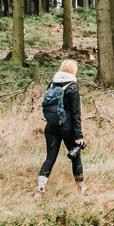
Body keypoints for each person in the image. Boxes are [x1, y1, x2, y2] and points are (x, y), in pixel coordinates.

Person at [37, 59, 86, 197]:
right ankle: (81, 190)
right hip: (67, 128)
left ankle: (40, 190)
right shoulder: (72, 87)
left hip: (51, 127)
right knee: (75, 158)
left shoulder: (52, 84)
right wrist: (79, 136)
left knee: (49, 158)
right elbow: (76, 113)